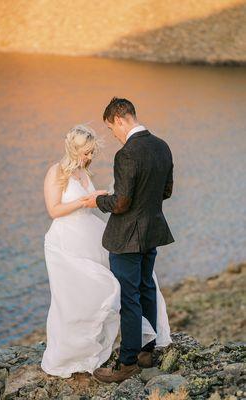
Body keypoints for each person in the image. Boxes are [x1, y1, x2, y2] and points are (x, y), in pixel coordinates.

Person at [41, 123, 171, 380]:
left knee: (120, 285)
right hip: (66, 242)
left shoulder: (83, 174)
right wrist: (84, 201)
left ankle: (133, 345)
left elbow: (93, 203)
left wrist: (102, 196)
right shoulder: (56, 172)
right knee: (75, 298)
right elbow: (54, 210)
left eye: (91, 152)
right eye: (86, 152)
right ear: (73, 148)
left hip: (90, 235)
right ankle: (73, 352)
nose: (89, 157)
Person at [82, 97, 174, 383]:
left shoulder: (127, 154)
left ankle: (128, 362)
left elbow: (120, 203)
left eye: (112, 129)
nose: (114, 134)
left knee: (128, 297)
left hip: (126, 238)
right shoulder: (162, 146)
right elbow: (166, 191)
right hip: (152, 232)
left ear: (120, 119)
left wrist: (99, 200)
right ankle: (147, 351)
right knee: (146, 287)